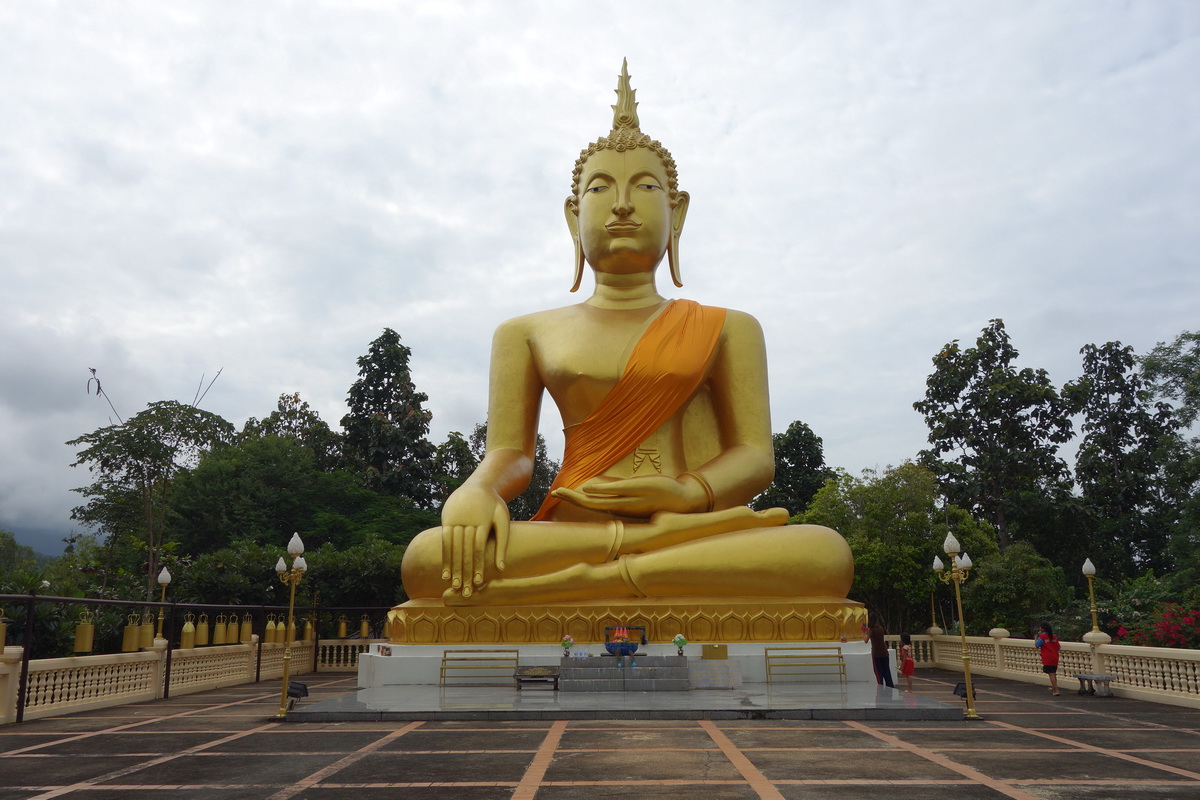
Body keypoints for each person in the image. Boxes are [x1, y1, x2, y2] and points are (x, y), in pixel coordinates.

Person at [399, 61, 854, 607]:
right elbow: (511, 454)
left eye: (644, 186)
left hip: (688, 521)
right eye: (600, 188)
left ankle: (605, 576)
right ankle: (647, 555)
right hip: (574, 531)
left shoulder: (730, 328)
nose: (621, 203)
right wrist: (477, 490)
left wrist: (689, 494)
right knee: (429, 559)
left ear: (677, 211)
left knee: (824, 554)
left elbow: (756, 455)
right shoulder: (524, 333)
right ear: (573, 216)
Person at [863, 614, 894, 688]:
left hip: (876, 654)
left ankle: (880, 688)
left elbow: (865, 640)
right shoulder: (880, 628)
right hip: (884, 653)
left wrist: (864, 632)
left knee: (878, 673)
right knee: (886, 671)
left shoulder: (871, 631)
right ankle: (890, 687)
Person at [1036, 621, 1061, 695]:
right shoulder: (1054, 636)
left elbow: (1037, 645)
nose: (1040, 629)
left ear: (1043, 629)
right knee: (1053, 673)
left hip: (1047, 657)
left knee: (1051, 674)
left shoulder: (1042, 637)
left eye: (1040, 627)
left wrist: (1035, 639)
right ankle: (1054, 688)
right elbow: (1058, 647)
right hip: (1055, 656)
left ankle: (1056, 690)